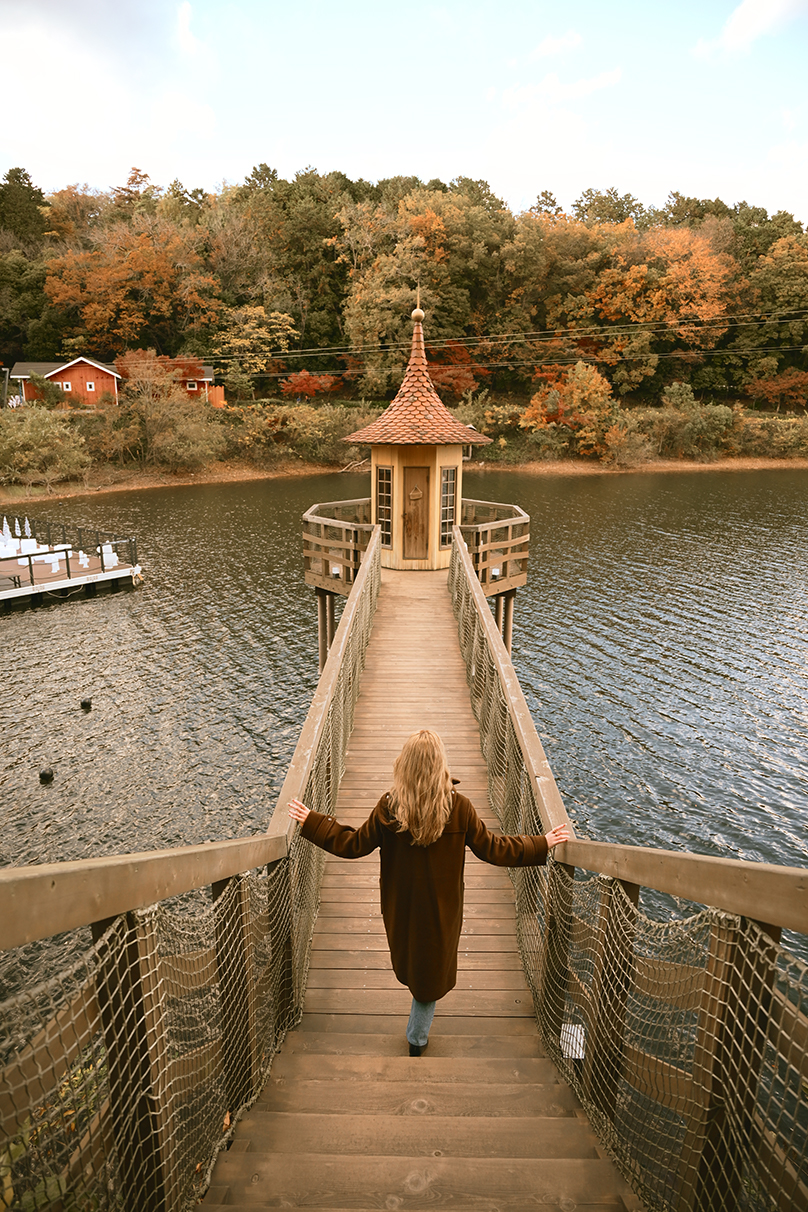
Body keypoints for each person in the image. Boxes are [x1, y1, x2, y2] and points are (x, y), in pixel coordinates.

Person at [288, 728, 570, 1056]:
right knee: (430, 973)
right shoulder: (459, 808)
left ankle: (416, 1037)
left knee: (416, 966)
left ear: (403, 766)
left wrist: (313, 822)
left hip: (402, 908)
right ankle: (416, 1039)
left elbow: (352, 844)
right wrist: (541, 843)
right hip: (442, 911)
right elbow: (494, 849)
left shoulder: (389, 807)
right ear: (441, 766)